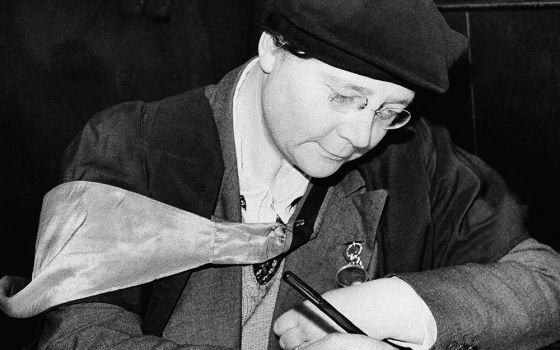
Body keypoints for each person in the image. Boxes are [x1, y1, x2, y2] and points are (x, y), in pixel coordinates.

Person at [1, 0, 560, 349]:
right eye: (345, 96)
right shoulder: (133, 146)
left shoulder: (415, 156)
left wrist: (402, 305)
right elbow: (81, 335)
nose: (363, 136)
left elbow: (546, 284)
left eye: (390, 111)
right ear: (272, 50)